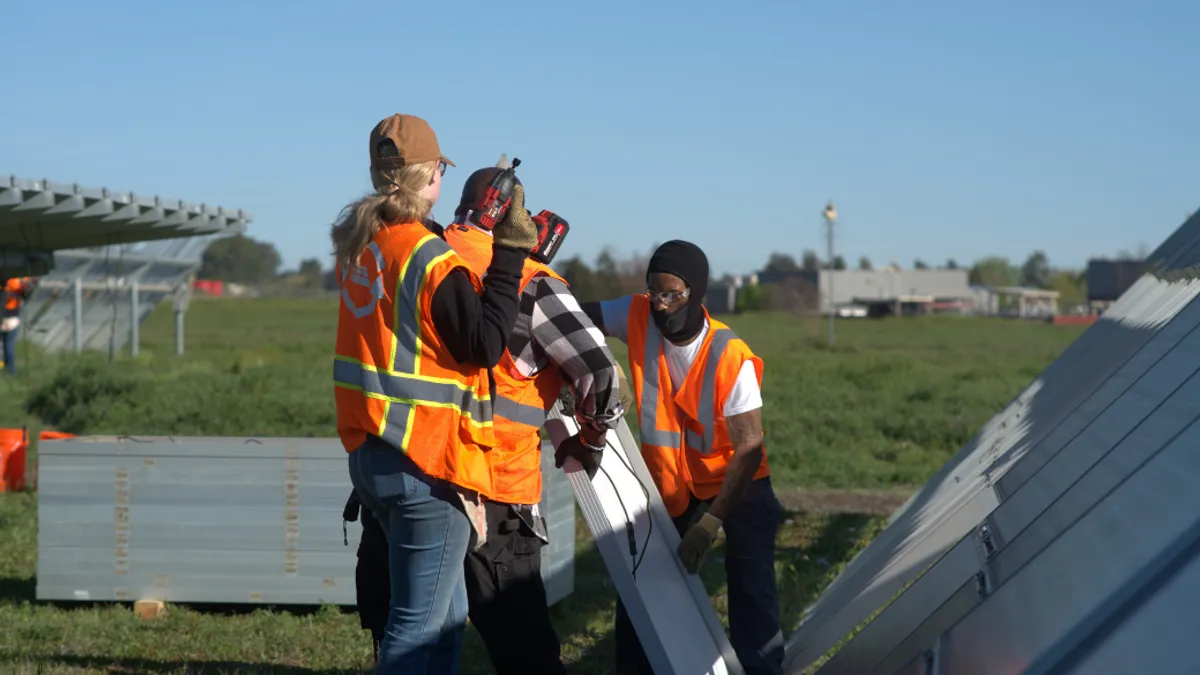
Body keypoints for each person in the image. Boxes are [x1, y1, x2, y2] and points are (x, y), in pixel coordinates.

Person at [346, 165, 634, 674]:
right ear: (518, 218)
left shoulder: (417, 252)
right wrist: (588, 439)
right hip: (496, 487)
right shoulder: (533, 282)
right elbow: (601, 375)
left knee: (412, 620)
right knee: (517, 646)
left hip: (407, 457)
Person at [331, 113, 539, 675]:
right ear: (430, 178)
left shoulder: (365, 250)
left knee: (447, 621)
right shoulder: (429, 257)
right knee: (417, 630)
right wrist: (511, 249)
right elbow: (484, 343)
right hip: (426, 463)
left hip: (375, 457)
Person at [580, 240, 785, 675]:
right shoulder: (635, 314)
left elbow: (748, 449)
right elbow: (574, 318)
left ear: (697, 293)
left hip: (737, 481)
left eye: (673, 294)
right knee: (644, 573)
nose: (661, 305)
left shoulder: (731, 356)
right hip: (672, 483)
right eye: (654, 292)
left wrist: (710, 523)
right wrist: (596, 360)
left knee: (752, 584)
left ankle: (762, 668)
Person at [1, 276, 34, 374]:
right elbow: (25, 291)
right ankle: (10, 372)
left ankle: (8, 371)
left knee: (7, 345)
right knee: (8, 344)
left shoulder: (14, 281)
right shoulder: (18, 280)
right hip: (12, 317)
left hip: (8, 316)